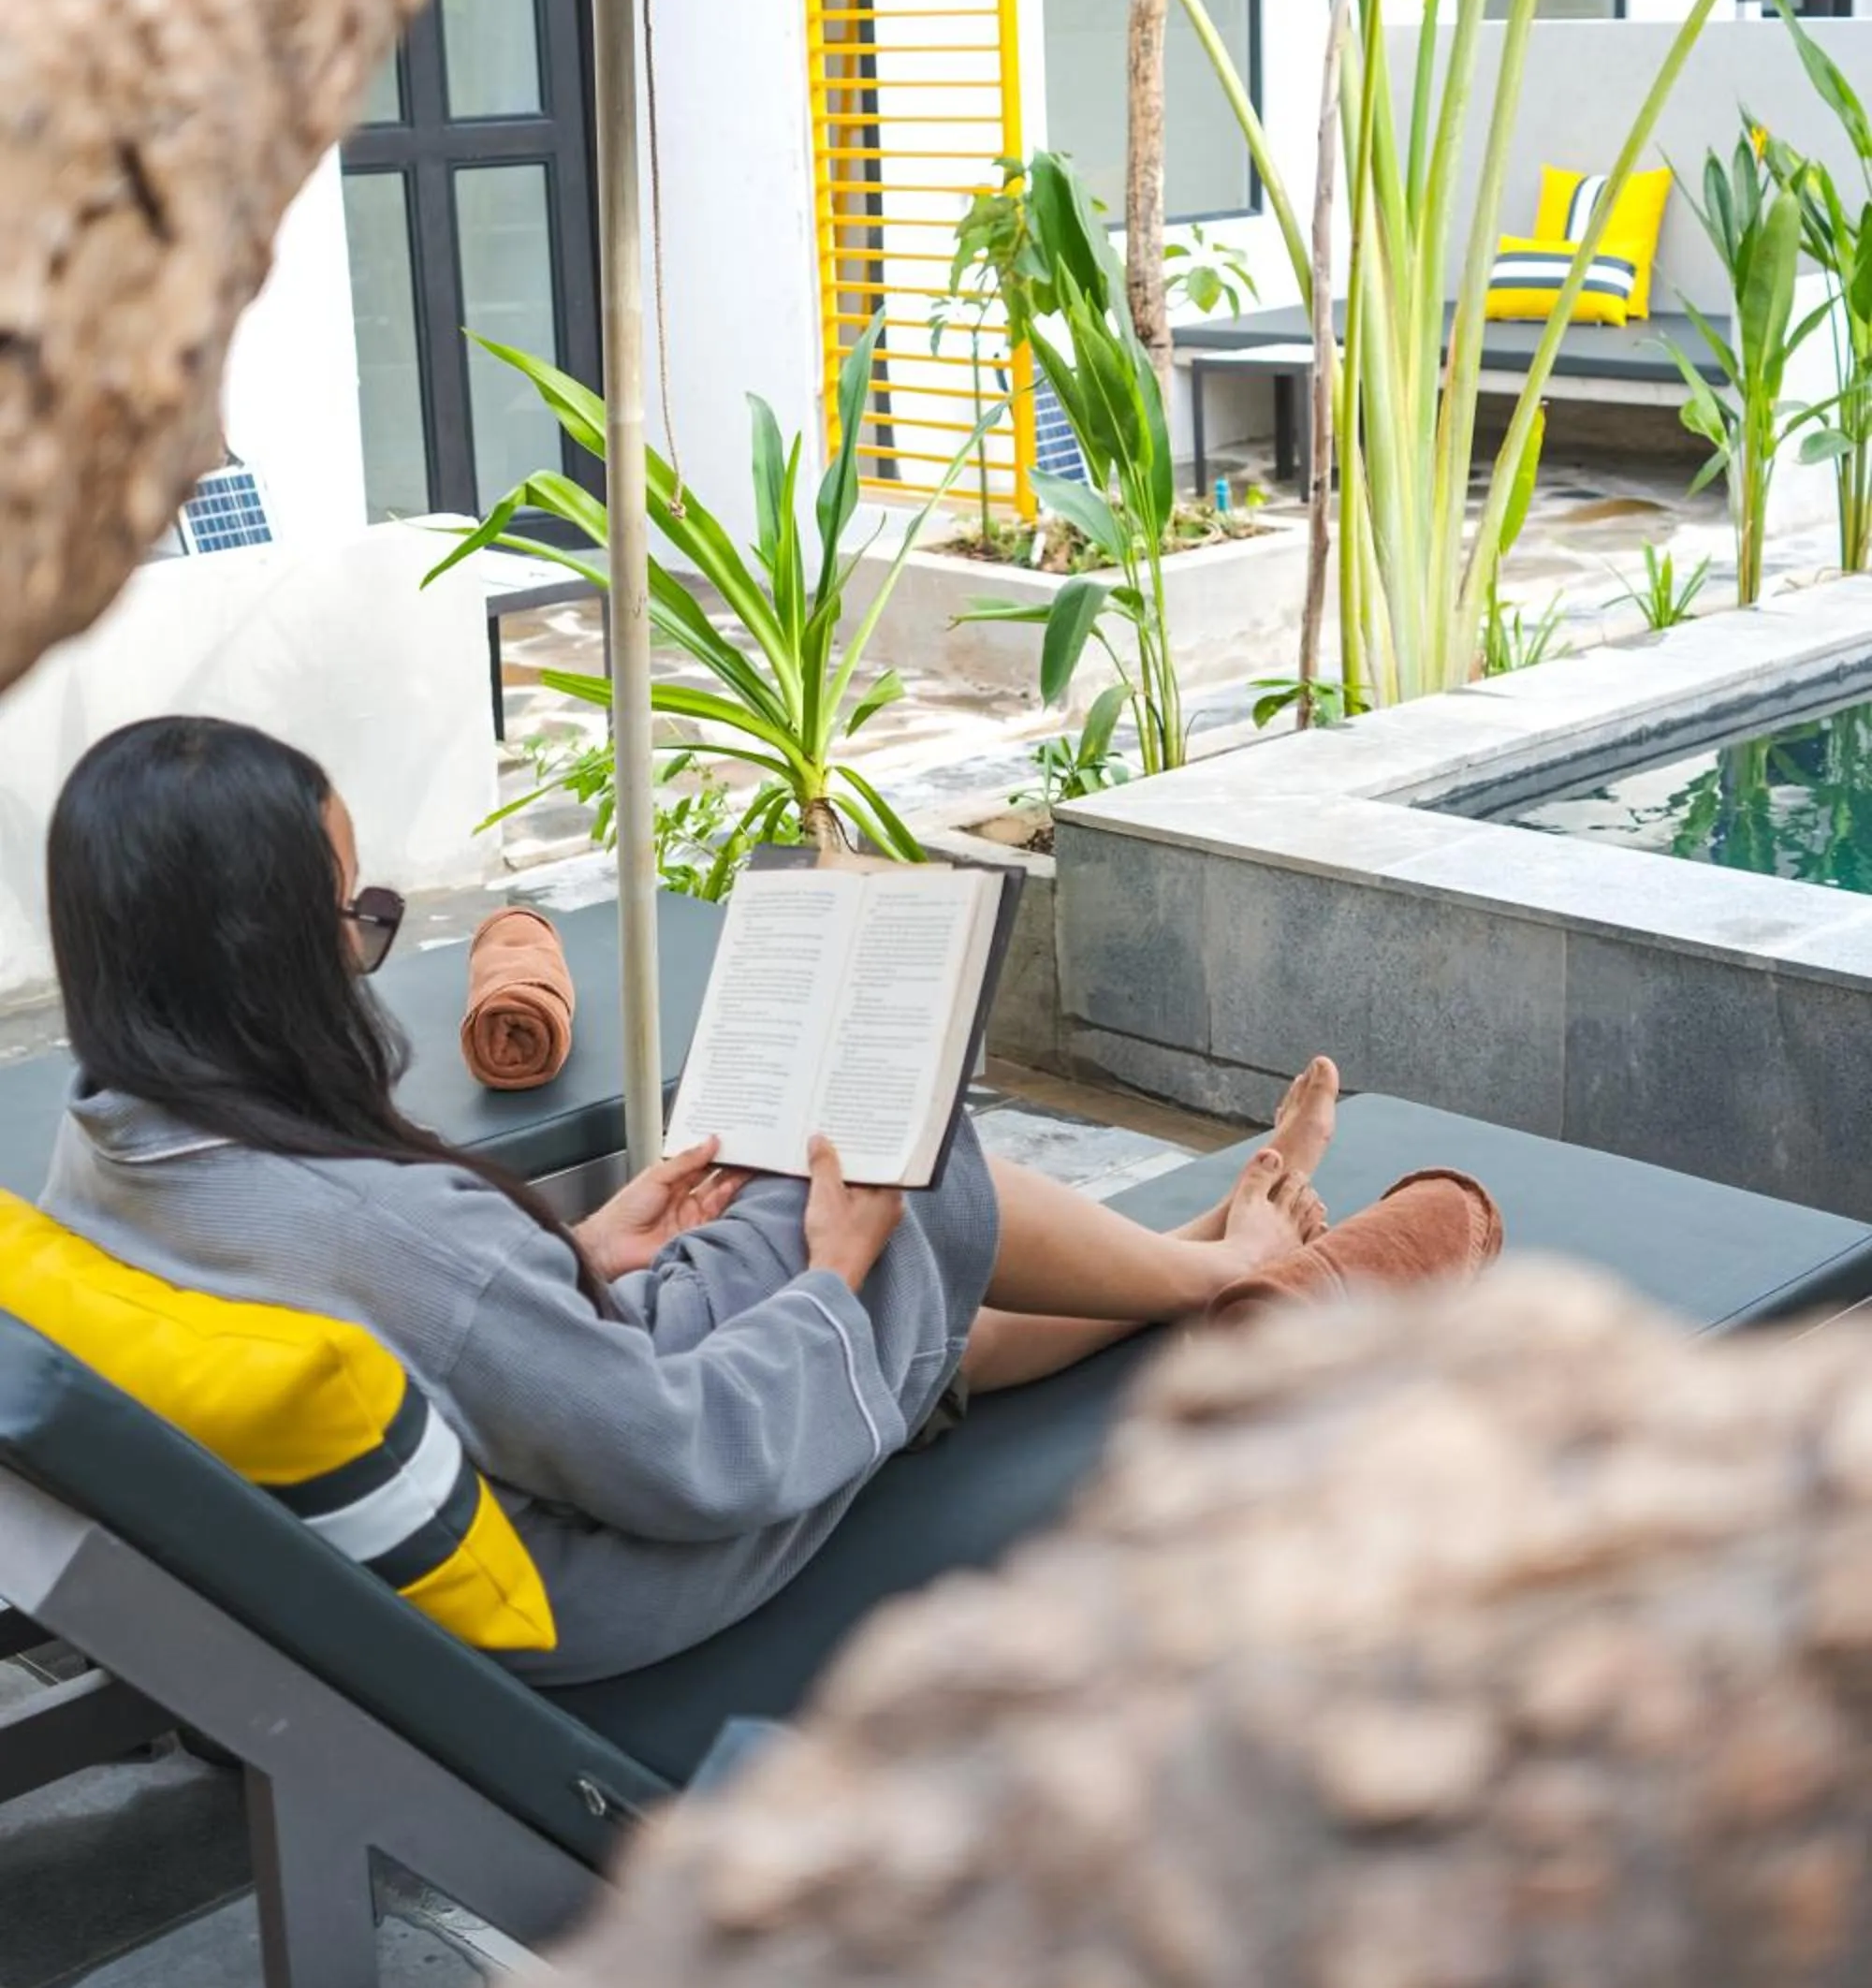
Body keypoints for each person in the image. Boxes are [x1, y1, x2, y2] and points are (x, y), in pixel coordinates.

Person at [37, 716, 1499, 1703]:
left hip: (469, 1505)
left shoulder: (113, 1139)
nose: (371, 948)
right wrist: (824, 1284)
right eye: (359, 918)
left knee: (845, 1224)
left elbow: (435, 1318)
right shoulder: (401, 1240)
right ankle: (1223, 1274)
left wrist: (574, 1255)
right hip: (596, 1581)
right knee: (890, 1171)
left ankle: (1200, 1262)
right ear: (263, 955)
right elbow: (683, 1458)